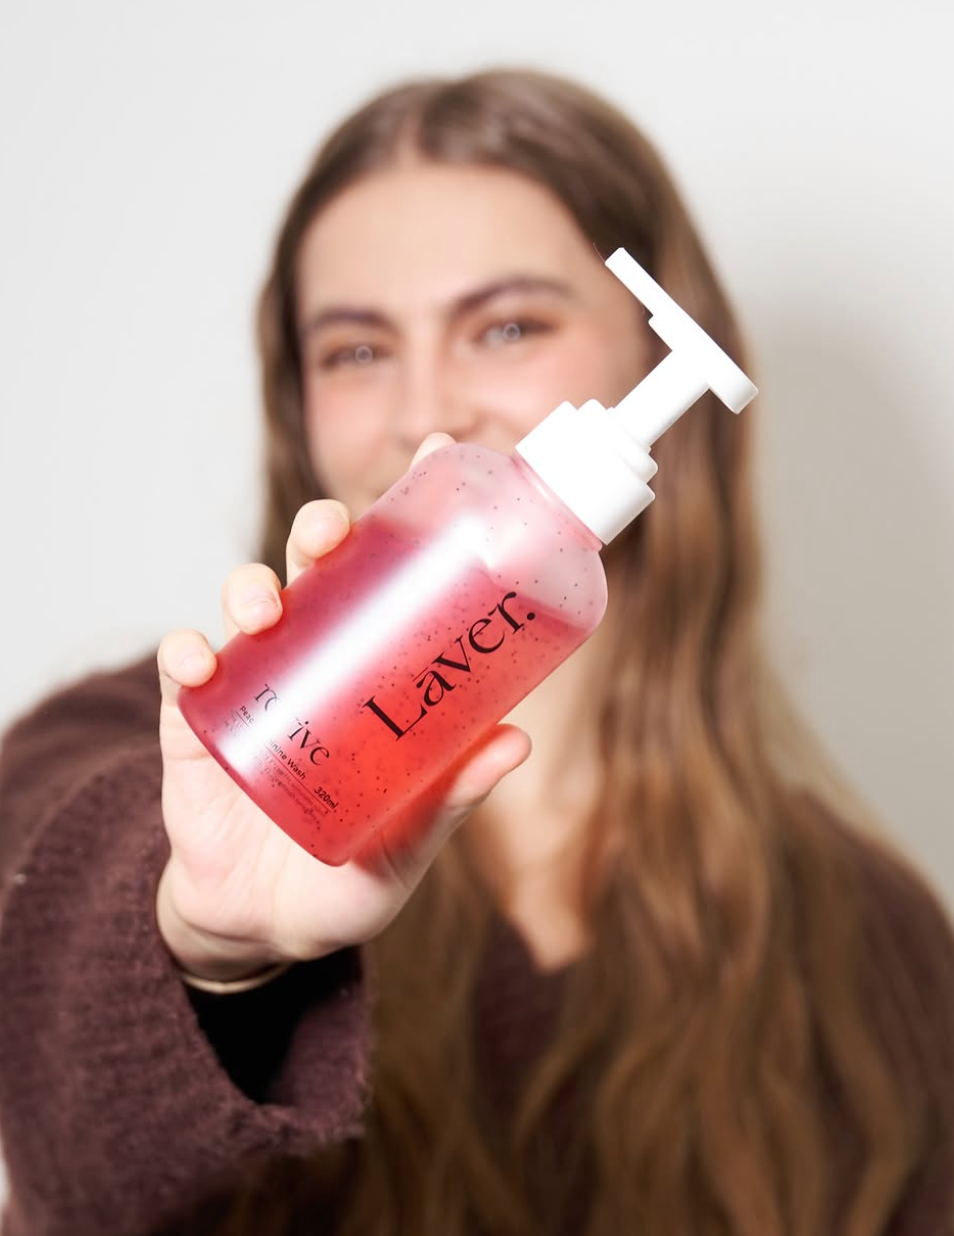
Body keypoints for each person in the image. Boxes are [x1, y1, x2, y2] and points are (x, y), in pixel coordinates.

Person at [0, 68, 952, 1236]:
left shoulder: (872, 942)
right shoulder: (151, 753)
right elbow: (59, 1150)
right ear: (298, 407)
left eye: (508, 328)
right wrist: (209, 945)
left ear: (645, 363)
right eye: (356, 349)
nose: (426, 410)